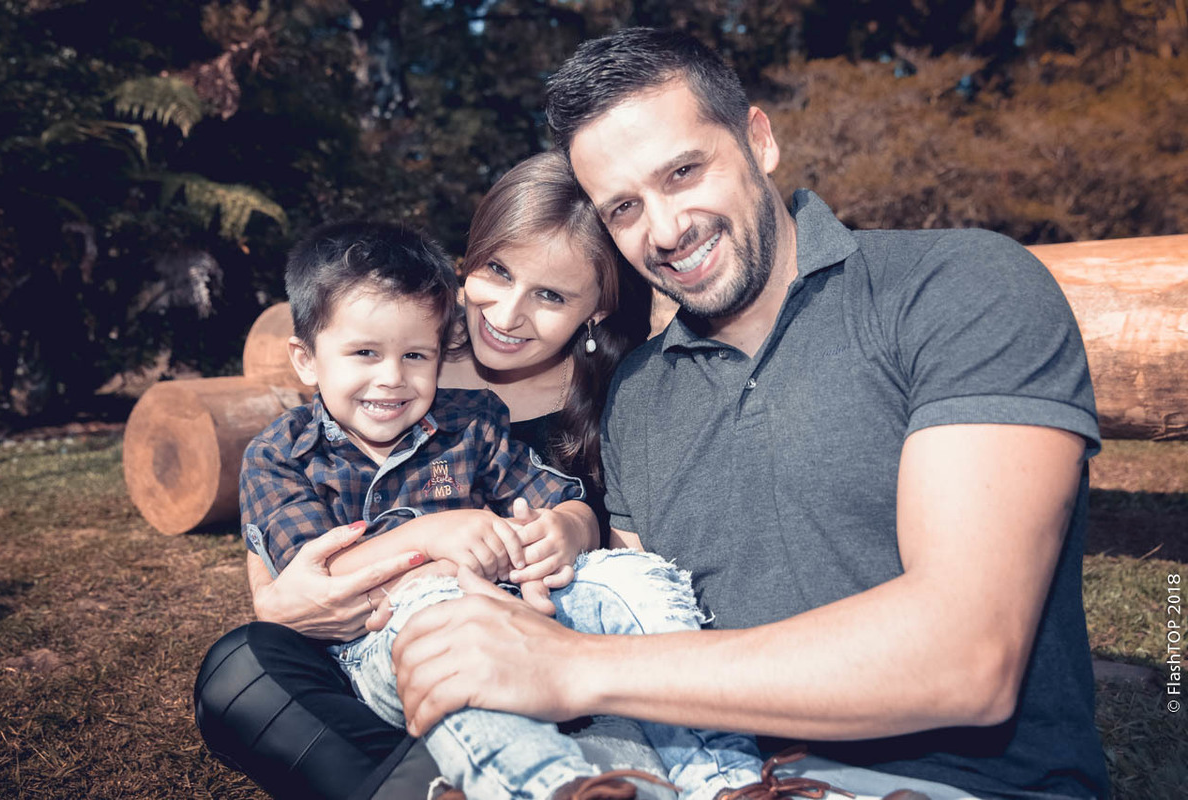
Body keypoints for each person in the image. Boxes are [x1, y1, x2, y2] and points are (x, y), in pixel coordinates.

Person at [387, 28, 1110, 800]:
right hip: (715, 777)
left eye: (684, 172)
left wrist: (567, 669)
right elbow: (632, 616)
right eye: (624, 207)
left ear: (758, 140)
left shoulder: (955, 285)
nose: (665, 232)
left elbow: (967, 658)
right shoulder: (634, 397)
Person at [194, 151, 660, 800]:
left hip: (546, 629)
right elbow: (285, 583)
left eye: (551, 295)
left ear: (598, 309)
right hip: (390, 632)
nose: (505, 314)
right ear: (469, 260)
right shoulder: (400, 347)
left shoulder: (622, 393)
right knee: (239, 670)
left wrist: (572, 525)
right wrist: (289, 594)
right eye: (497, 270)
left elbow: (616, 550)